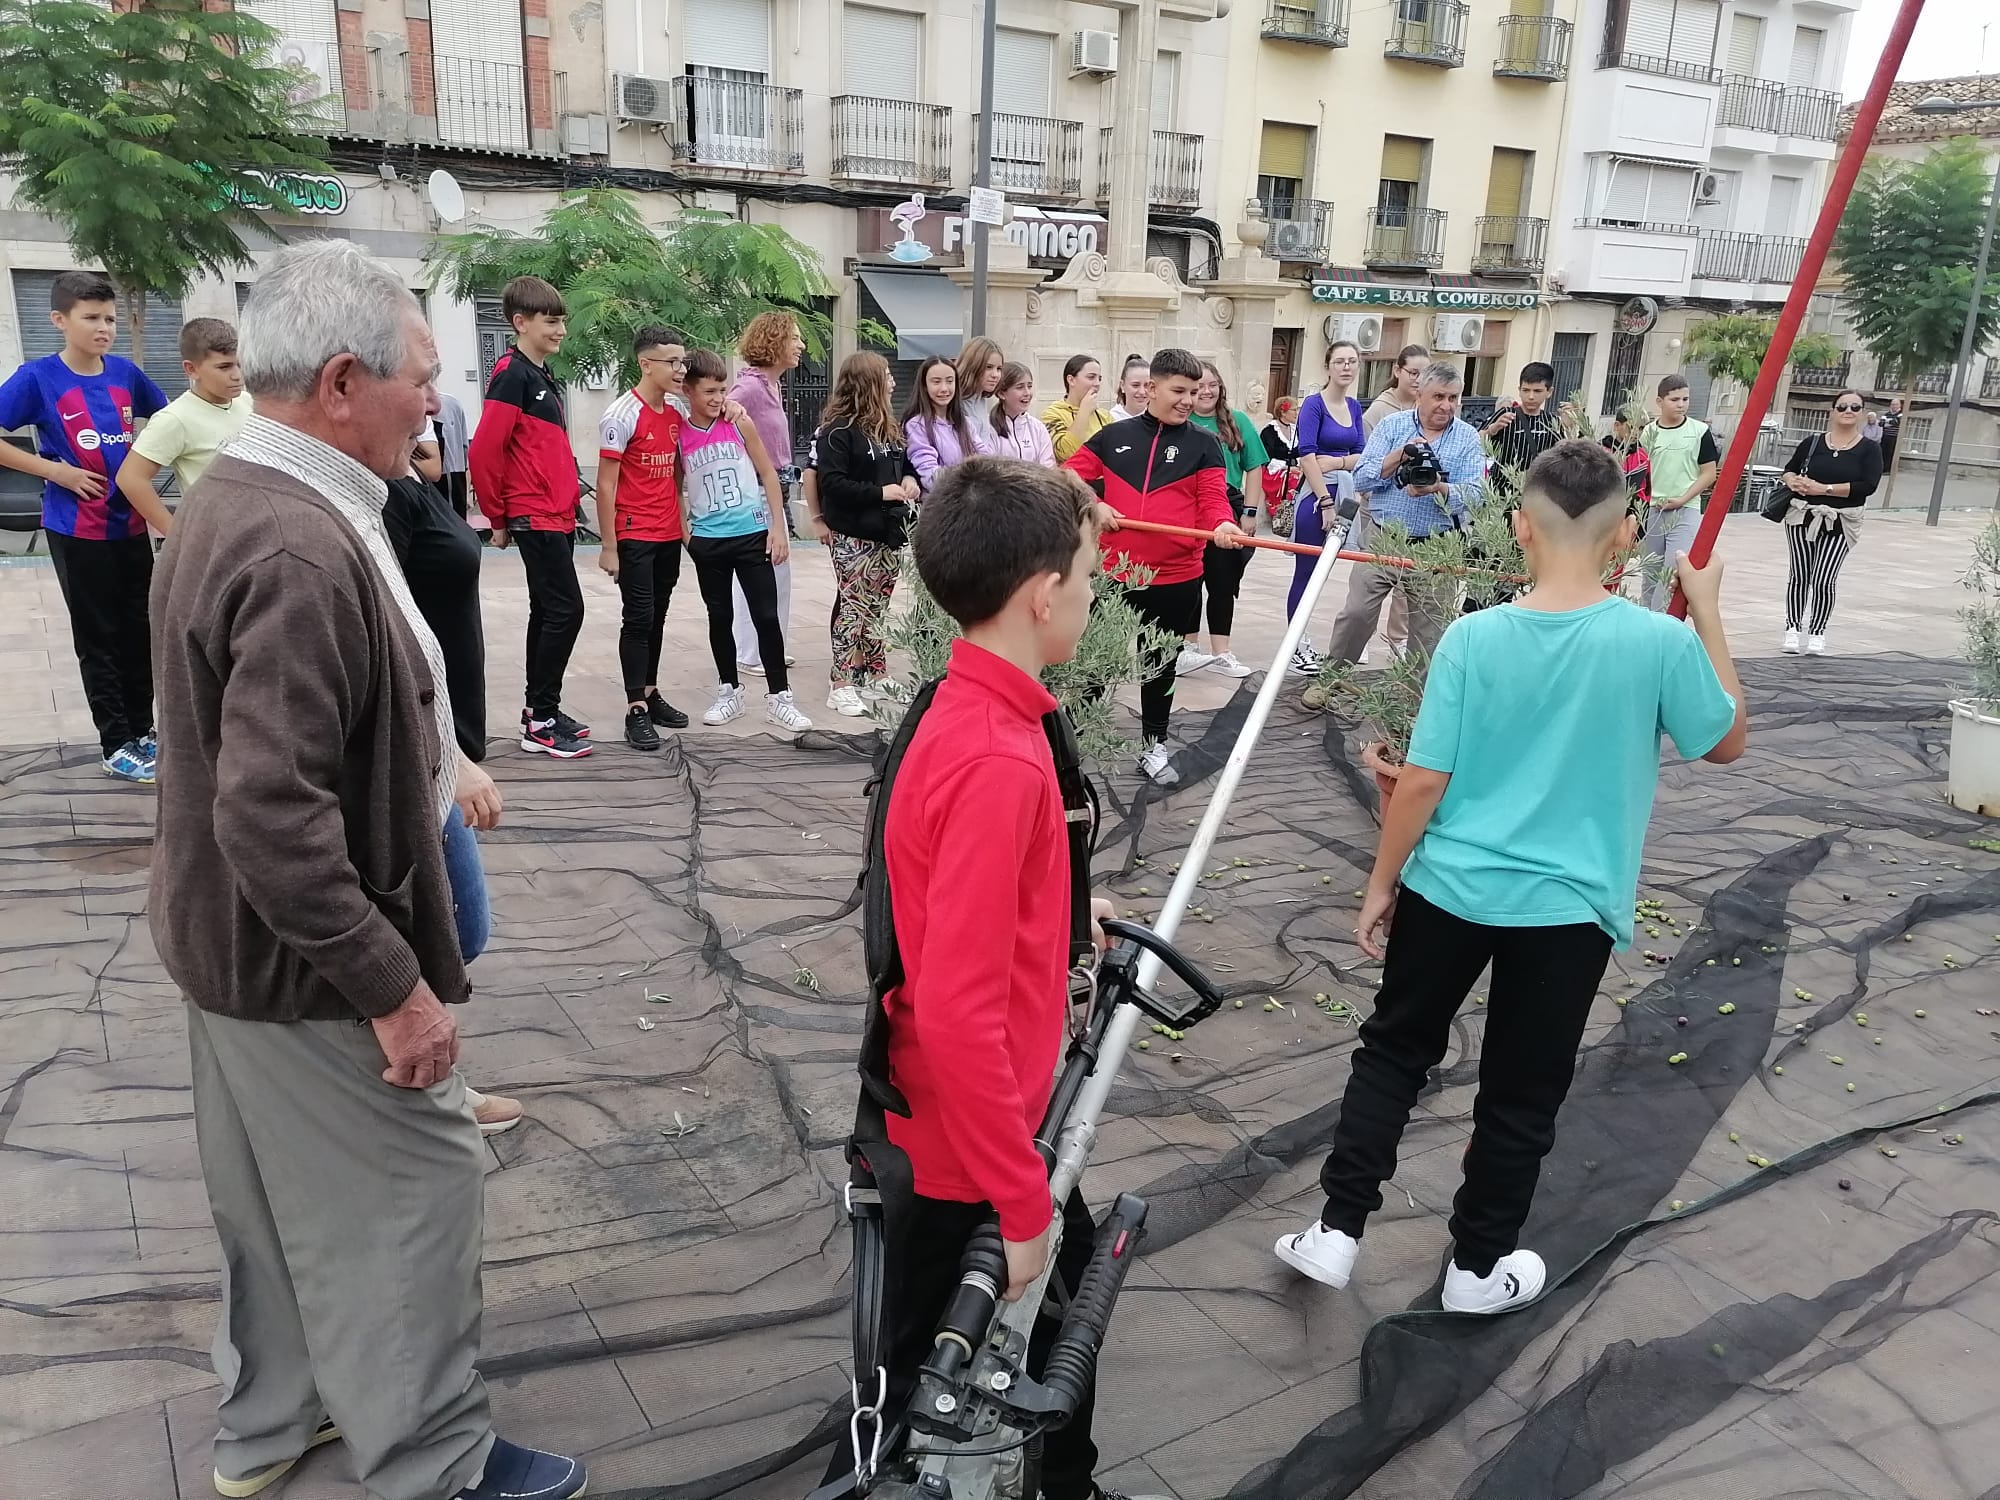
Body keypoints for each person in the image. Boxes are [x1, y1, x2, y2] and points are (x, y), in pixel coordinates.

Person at [151, 239, 586, 1500]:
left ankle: (276, 1424)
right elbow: (272, 813)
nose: (436, 404)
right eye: (422, 377)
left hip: (237, 949)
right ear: (342, 382)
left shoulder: (257, 494)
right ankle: (430, 1461)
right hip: (299, 965)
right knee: (414, 1189)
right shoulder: (294, 542)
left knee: (277, 1209)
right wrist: (393, 989)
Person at [1275, 440, 1745, 1317]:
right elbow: (1724, 741)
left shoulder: (1474, 638)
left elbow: (1423, 779)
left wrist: (1383, 880)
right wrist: (1709, 614)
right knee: (1523, 1088)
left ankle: (1337, 1229)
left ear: (1520, 527)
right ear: (1627, 534)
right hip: (1567, 911)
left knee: (1394, 1052)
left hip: (1450, 888)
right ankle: (1479, 1263)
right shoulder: (1658, 641)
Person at [821, 454, 1162, 1500]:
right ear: (1043, 594)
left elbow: (952, 897)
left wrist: (1059, 908)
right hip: (970, 1150)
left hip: (981, 1126)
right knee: (913, 1394)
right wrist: (1018, 1205)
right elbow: (956, 1009)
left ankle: (1065, 1480)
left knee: (1051, 1325)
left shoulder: (972, 711)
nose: (1094, 597)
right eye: (1089, 579)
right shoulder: (998, 762)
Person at [384, 441, 525, 1139]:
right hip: (421, 754)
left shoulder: (408, 474)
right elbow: (390, 638)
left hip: (443, 741)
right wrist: (449, 754)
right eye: (417, 387)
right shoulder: (376, 496)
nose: (433, 397)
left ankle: (413, 1081)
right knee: (450, 927)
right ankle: (414, 1086)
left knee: (451, 930)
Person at [0, 270, 168, 784]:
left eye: (110, 319)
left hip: (130, 525)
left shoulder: (126, 374)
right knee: (100, 637)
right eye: (91, 318)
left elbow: (168, 421)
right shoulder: (36, 378)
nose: (104, 328)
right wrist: (56, 472)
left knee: (139, 630)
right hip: (76, 530)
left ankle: (144, 731)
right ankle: (116, 743)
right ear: (59, 320)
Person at [1066, 347, 1246, 787]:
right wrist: (1094, 503)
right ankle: (1071, 747)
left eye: (1195, 392)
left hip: (1176, 578)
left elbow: (1212, 500)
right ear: (1151, 388)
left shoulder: (1205, 444)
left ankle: (1153, 745)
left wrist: (1223, 524)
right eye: (1179, 391)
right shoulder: (1114, 436)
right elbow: (1068, 473)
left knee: (1160, 665)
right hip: (1115, 575)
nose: (1189, 400)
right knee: (1095, 664)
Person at [468, 275, 591, 757]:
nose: (561, 330)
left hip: (555, 512)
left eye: (562, 321)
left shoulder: (540, 375)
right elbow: (484, 450)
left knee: (548, 610)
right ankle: (540, 721)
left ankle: (542, 710)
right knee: (566, 610)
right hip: (533, 512)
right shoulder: (512, 375)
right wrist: (496, 517)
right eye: (551, 321)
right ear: (520, 323)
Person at [682, 349, 812, 732]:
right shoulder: (680, 434)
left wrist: (777, 528)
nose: (718, 398)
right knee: (719, 616)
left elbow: (768, 474)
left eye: (722, 390)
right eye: (709, 391)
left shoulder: (738, 422)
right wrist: (687, 536)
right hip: (709, 540)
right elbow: (674, 486)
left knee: (766, 616)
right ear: (688, 390)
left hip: (751, 534)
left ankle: (780, 696)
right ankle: (729, 691)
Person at [1325, 361, 1486, 669]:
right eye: (1438, 396)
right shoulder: (1392, 426)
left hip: (1437, 546)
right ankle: (1331, 679)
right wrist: (1399, 456)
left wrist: (1439, 488)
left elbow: (1477, 494)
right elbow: (1361, 480)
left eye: (1453, 398)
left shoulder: (1468, 437)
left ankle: (1418, 695)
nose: (1446, 405)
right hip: (1383, 538)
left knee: (1430, 632)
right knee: (1356, 613)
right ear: (1419, 394)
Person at [596, 325, 694, 750]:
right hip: (634, 534)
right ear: (646, 363)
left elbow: (676, 473)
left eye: (683, 361)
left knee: (658, 615)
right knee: (637, 619)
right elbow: (605, 485)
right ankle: (635, 706)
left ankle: (651, 692)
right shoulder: (621, 414)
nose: (680, 369)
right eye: (672, 362)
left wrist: (683, 525)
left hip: (668, 533)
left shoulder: (675, 411)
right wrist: (609, 546)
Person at [813, 351, 919, 717]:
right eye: (886, 376)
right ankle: (840, 683)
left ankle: (876, 674)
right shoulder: (838, 432)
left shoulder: (888, 427)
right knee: (853, 609)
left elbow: (905, 465)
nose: (892, 382)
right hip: (853, 535)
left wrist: (910, 480)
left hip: (888, 534)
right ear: (868, 383)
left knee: (877, 608)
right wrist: (879, 493)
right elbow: (832, 483)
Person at [117, 316, 253, 535]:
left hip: (259, 531)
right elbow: (130, 478)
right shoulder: (175, 418)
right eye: (224, 367)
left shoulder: (247, 402)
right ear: (191, 369)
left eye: (240, 364)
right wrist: (176, 534)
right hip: (215, 538)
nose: (237, 375)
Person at [1778, 389, 1883, 656]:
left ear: (1862, 413)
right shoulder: (1812, 443)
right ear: (1832, 411)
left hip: (1841, 520)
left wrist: (1824, 489)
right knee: (1800, 574)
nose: (1848, 411)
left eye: (1855, 407)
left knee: (1824, 578)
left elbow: (1868, 485)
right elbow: (1789, 469)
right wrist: (1792, 481)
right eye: (1843, 406)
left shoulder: (1869, 448)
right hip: (1803, 515)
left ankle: (1817, 632)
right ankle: (1792, 628)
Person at [1181, 360, 1269, 679]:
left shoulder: (1237, 421)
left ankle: (1221, 651)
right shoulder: (1181, 420)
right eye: (1199, 386)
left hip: (1227, 505)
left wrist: (1250, 511)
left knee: (1223, 580)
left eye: (1212, 385)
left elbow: (1254, 466)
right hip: (1188, 508)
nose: (1206, 391)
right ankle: (1188, 648)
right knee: (1190, 579)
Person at [729, 311, 804, 681]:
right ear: (774, 342)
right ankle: (750, 652)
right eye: (794, 338)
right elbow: (725, 418)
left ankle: (768, 646)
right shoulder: (750, 388)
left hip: (775, 489)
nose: (801, 345)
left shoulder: (771, 385)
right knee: (759, 572)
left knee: (778, 572)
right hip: (756, 491)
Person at [1289, 341, 1369, 674]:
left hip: (1345, 493)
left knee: (1323, 575)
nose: (1346, 367)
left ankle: (1305, 642)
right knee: (1306, 573)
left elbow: (1362, 454)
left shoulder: (1353, 407)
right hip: (1317, 497)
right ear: (1327, 366)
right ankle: (1296, 645)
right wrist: (1324, 502)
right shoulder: (1313, 405)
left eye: (1351, 361)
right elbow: (1307, 456)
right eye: (1339, 361)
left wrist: (1337, 462)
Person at [1357, 344, 1430, 659]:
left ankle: (1398, 639)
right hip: (1379, 506)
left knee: (1408, 581)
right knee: (1370, 580)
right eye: (1413, 372)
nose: (1418, 379)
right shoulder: (1380, 411)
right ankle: (1358, 639)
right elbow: (1365, 462)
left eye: (1424, 374)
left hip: (1418, 509)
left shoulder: (1431, 410)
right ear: (1397, 371)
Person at [1638, 375, 1719, 611]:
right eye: (1674, 399)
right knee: (1650, 572)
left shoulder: (1699, 431)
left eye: (1685, 399)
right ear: (1659, 401)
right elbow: (1641, 470)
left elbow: (1709, 473)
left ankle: (1663, 622)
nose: (1681, 404)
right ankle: (1646, 621)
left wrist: (1683, 498)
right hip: (1654, 510)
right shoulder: (1649, 432)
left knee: (1672, 571)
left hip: (1686, 509)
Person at [1481, 361, 1566, 500]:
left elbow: (1565, 455)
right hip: (1501, 496)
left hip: (1536, 495)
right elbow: (1475, 440)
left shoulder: (1552, 421)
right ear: (1519, 390)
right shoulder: (1506, 414)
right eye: (1526, 390)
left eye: (1537, 391)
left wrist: (1570, 426)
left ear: (1549, 392)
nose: (1531, 396)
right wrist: (1492, 430)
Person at [903, 354, 988, 491]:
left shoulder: (965, 423)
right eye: (936, 382)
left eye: (949, 381)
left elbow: (985, 460)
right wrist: (970, 477)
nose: (944, 388)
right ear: (924, 386)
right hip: (940, 502)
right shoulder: (916, 425)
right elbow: (930, 477)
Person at [1042, 354, 1114, 460]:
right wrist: (1084, 411)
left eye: (1099, 378)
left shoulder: (1105, 416)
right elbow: (1065, 453)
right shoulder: (1052, 414)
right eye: (1091, 377)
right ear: (1071, 380)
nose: (1097, 383)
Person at [989, 361, 1056, 466]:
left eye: (1029, 386)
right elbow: (987, 468)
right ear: (1001, 393)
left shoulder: (1038, 428)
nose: (1027, 393)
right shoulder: (989, 428)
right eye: (1020, 387)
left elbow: (1048, 466)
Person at [955, 334, 1005, 430]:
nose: (995, 375)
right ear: (972, 366)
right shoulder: (954, 403)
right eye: (988, 367)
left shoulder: (981, 401)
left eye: (999, 368)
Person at [1108, 352, 1152, 421]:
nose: (1142, 392)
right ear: (1122, 385)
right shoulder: (1110, 419)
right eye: (1135, 385)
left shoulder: (1158, 419)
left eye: (1147, 385)